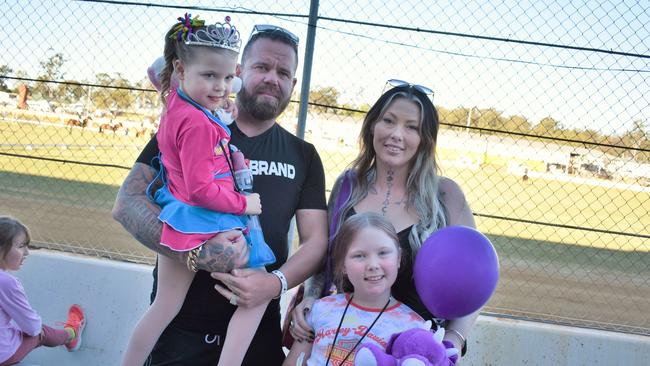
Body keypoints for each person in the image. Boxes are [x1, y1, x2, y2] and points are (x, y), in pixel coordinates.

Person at [112, 23, 328, 365]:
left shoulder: (304, 155)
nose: (273, 77)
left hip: (255, 344)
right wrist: (196, 255)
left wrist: (275, 284)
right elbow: (127, 205)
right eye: (262, 67)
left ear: (294, 84)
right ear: (240, 71)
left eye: (283, 72)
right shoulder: (193, 121)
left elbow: (316, 241)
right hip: (181, 339)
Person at [290, 80, 479, 360]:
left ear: (425, 138)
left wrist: (454, 340)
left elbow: (475, 280)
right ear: (372, 126)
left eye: (411, 127)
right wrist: (311, 298)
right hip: (347, 342)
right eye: (388, 121)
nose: (396, 134)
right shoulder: (348, 185)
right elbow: (327, 259)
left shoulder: (445, 195)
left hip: (414, 352)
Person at [284, 213, 429, 366]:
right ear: (342, 265)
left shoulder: (414, 328)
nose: (373, 264)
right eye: (359, 256)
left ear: (398, 258)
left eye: (383, 253)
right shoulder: (320, 310)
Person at [0, 216, 86, 365]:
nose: (26, 253)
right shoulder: (7, 283)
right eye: (21, 246)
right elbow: (32, 328)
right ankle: (72, 334)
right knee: (41, 332)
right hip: (4, 355)